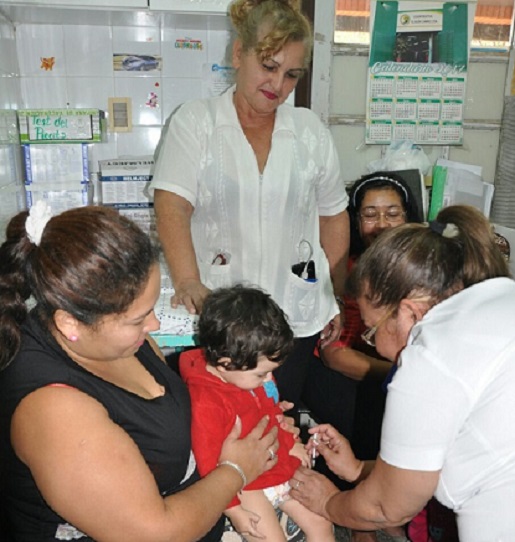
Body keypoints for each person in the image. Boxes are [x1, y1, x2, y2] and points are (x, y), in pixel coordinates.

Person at [0, 202, 282, 542]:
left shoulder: (113, 340)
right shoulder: (55, 411)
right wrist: (236, 470)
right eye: (138, 318)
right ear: (70, 323)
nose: (154, 325)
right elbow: (155, 533)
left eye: (150, 308)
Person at [149, 0, 350, 412]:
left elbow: (333, 215)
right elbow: (172, 204)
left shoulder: (310, 132)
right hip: (220, 318)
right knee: (218, 426)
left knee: (279, 419)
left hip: (294, 319)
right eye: (269, 66)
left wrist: (334, 295)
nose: (278, 84)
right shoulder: (196, 122)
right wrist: (187, 281)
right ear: (239, 53)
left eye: (292, 74)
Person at [290, 205, 515, 542]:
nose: (376, 346)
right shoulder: (499, 297)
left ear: (411, 313)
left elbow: (387, 507)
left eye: (371, 331)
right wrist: (359, 469)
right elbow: (442, 458)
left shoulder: (430, 355)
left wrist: (328, 503)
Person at [302, 172, 422, 542]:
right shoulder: (345, 271)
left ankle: (393, 505)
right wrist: (404, 375)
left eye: (392, 213)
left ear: (409, 217)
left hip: (396, 371)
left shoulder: (424, 270)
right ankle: (361, 519)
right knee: (371, 405)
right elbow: (335, 355)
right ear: (355, 222)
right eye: (370, 214)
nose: (381, 224)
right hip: (343, 372)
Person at [179, 285, 335, 541]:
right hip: (244, 484)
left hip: (276, 464)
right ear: (225, 363)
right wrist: (233, 509)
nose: (269, 379)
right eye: (262, 374)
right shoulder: (206, 402)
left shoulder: (246, 375)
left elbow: (272, 413)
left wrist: (291, 444)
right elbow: (208, 464)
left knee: (322, 523)